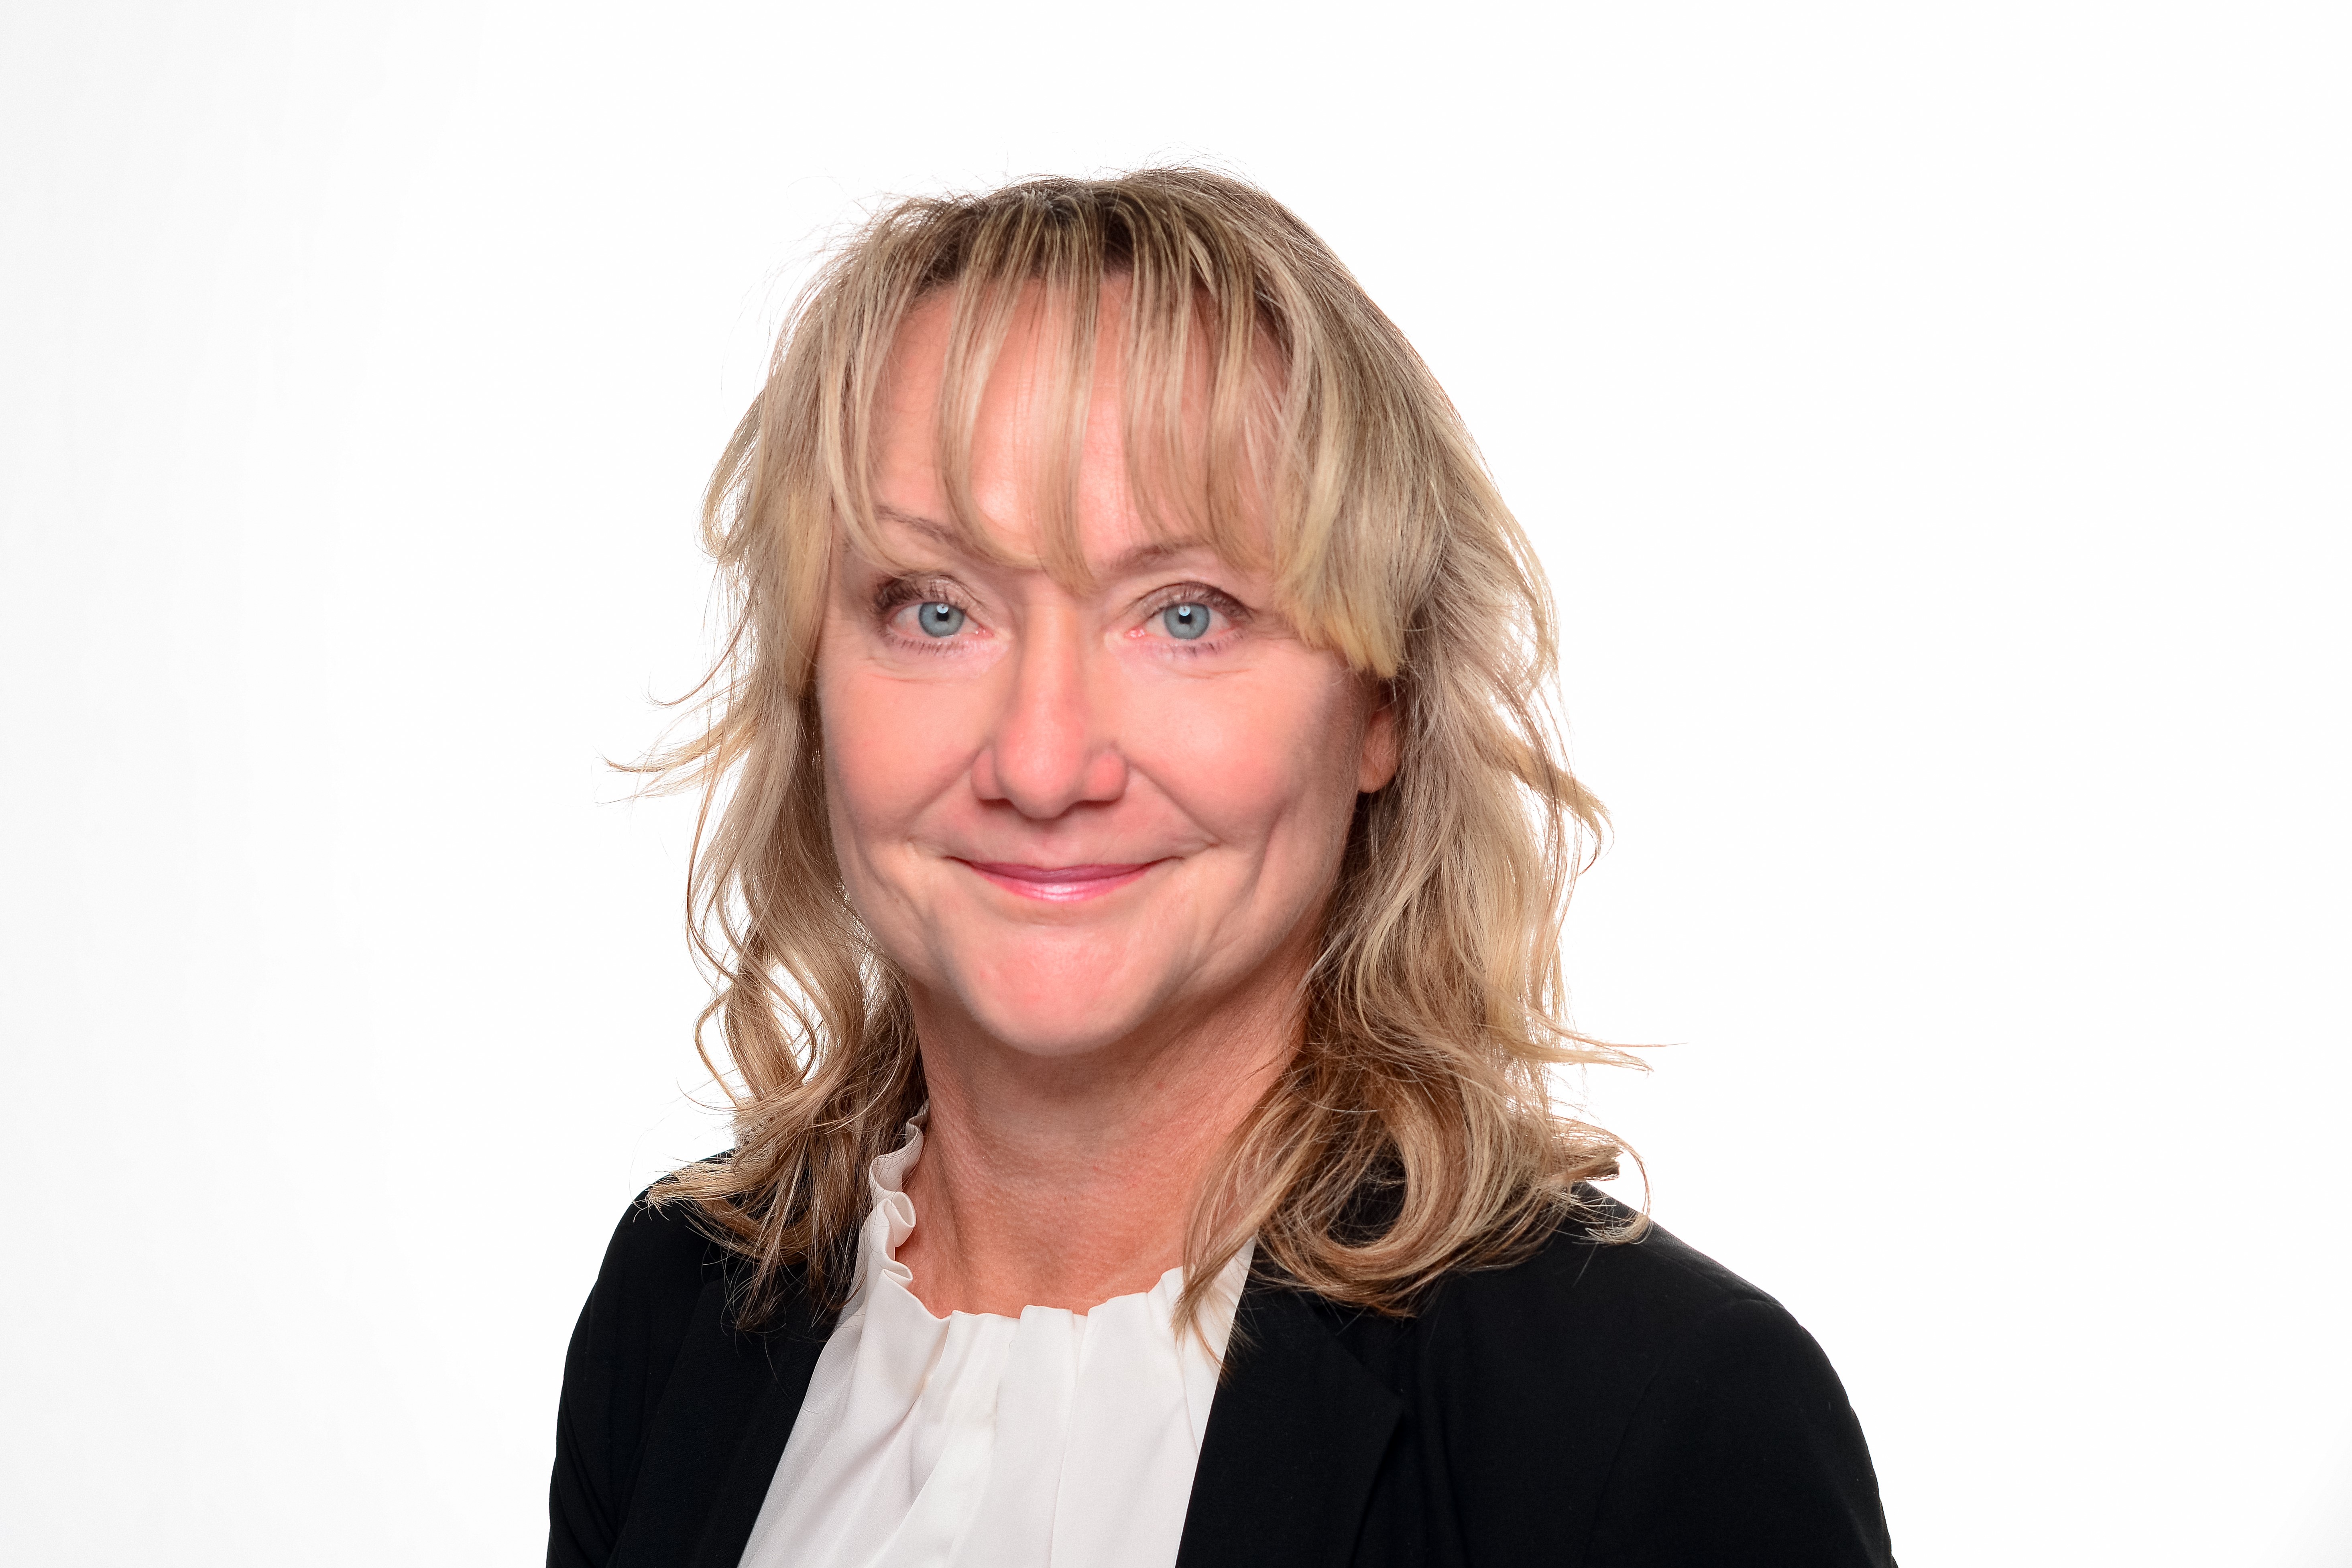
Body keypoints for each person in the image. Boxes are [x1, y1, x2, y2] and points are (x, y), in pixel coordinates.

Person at [548, 167, 1895, 1568]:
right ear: (812, 686)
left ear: (1381, 703)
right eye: (935, 609)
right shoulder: (679, 1308)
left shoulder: (1654, 1410)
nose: (1043, 763)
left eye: (1185, 613)